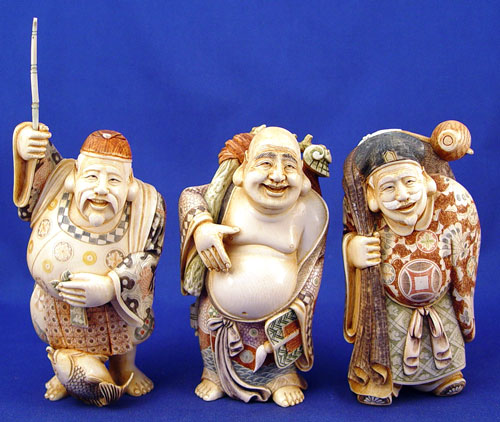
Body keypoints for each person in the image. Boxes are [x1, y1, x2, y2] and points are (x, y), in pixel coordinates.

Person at [13, 122, 165, 403]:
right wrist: (25, 144)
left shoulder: (147, 207)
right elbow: (39, 164)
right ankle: (65, 368)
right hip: (57, 303)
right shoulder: (56, 184)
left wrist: (110, 286)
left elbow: (147, 258)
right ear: (75, 177)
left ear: (130, 185)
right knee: (59, 333)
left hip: (114, 306)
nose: (101, 189)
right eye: (92, 177)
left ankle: (123, 368)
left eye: (114, 180)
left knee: (125, 327)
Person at [179, 127, 329, 407]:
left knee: (278, 344)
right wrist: (201, 227)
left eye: (289, 165)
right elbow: (189, 195)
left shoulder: (309, 210)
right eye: (266, 162)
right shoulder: (226, 194)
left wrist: (301, 303)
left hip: (279, 309)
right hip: (220, 306)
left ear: (303, 176)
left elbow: (313, 265)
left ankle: (281, 378)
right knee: (211, 332)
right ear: (244, 168)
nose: (278, 175)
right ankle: (214, 375)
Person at [342, 129, 480, 405]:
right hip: (391, 307)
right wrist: (353, 250)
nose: (402, 195)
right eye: (388, 188)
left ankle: (442, 376)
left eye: (409, 182)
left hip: (438, 303)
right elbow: (350, 237)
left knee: (443, 340)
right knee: (390, 342)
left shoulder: (445, 212)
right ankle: (384, 378)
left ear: (426, 181)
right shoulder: (372, 225)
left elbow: (463, 263)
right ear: (372, 196)